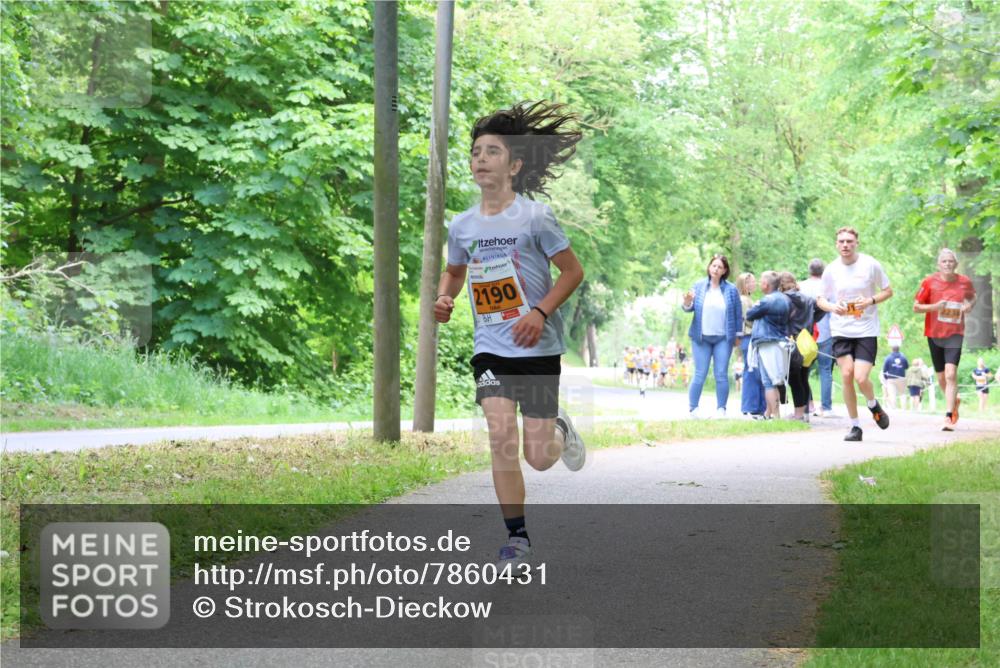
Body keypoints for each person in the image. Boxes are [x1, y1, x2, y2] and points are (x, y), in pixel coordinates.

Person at [435, 101, 585, 566]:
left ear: (515, 166)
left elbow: (572, 272)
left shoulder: (535, 217)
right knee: (500, 436)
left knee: (538, 457)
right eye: (475, 152)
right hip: (491, 350)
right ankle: (517, 539)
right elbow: (454, 272)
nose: (480, 159)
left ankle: (559, 428)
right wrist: (444, 297)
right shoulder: (462, 225)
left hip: (536, 349)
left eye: (492, 151)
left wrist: (539, 312)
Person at [816, 227, 893, 442]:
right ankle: (855, 427)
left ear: (856, 243)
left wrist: (870, 301)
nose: (845, 245)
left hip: (866, 329)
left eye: (849, 241)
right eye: (841, 241)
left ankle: (873, 404)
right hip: (841, 329)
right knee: (846, 374)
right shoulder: (831, 270)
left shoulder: (870, 264)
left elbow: (888, 290)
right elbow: (820, 299)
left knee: (861, 377)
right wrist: (833, 307)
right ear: (836, 244)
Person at [913, 248, 977, 430]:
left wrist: (969, 305)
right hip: (934, 334)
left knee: (950, 374)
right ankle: (954, 401)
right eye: (944, 261)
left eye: (951, 261)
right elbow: (916, 307)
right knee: (941, 377)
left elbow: (973, 297)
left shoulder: (964, 282)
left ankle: (948, 416)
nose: (948, 264)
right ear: (938, 264)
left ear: (956, 264)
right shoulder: (929, 282)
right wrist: (935, 307)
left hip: (955, 333)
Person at [681, 254, 743, 418]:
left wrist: (738, 335)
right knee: (699, 373)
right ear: (709, 267)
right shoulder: (699, 286)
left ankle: (721, 409)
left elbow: (738, 314)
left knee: (721, 374)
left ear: (724, 271)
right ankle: (693, 409)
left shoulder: (731, 290)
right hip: (701, 338)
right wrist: (687, 302)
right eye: (714, 265)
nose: (716, 269)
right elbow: (688, 308)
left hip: (723, 338)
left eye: (720, 267)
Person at [746, 271, 792, 419]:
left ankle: (776, 415)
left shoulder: (767, 300)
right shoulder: (785, 299)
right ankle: (768, 413)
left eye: (761, 281)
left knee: (769, 382)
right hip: (780, 342)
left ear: (766, 284)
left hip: (768, 344)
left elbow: (749, 314)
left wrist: (756, 306)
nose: (759, 283)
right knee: (775, 379)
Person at [780, 272, 817, 421]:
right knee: (803, 378)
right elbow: (819, 311)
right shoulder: (808, 299)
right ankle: (805, 413)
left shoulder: (784, 299)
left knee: (794, 380)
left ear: (781, 284)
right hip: (807, 342)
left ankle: (798, 414)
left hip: (792, 341)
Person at [799, 259, 834, 416]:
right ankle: (826, 407)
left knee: (803, 370)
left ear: (809, 270)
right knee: (825, 370)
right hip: (826, 332)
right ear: (823, 271)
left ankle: (807, 404)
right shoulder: (829, 287)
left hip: (805, 334)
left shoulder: (801, 286)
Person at [735, 272, 766, 417]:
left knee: (755, 371)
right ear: (744, 285)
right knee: (751, 371)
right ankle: (750, 406)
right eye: (750, 282)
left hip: (752, 337)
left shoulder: (749, 299)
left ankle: (758, 407)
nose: (754, 284)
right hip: (748, 337)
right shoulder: (743, 300)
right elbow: (748, 319)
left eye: (754, 281)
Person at [880, 346, 909, 411]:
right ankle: (904, 408)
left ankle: (894, 409)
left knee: (892, 394)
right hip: (901, 378)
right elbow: (907, 366)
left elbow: (884, 369)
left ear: (892, 349)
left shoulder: (888, 358)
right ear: (899, 349)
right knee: (902, 393)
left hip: (891, 379)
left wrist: (886, 378)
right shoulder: (903, 357)